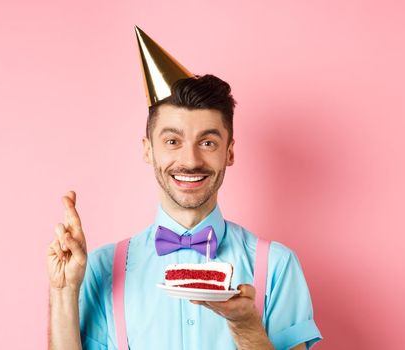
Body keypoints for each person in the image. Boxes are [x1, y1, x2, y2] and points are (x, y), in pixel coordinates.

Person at [46, 27, 322, 350]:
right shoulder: (101, 269)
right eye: (172, 141)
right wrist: (64, 292)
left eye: (207, 142)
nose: (190, 160)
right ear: (148, 150)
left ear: (229, 152)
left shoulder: (277, 266)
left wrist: (246, 327)